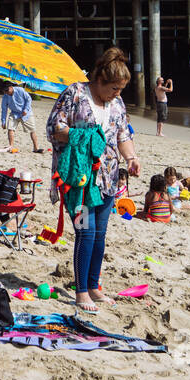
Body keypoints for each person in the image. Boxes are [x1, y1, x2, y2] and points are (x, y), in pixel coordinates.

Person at [47, 47, 141, 314]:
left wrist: (132, 158)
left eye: (120, 89)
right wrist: (82, 135)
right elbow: (54, 127)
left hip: (108, 179)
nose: (117, 94)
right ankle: (80, 292)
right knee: (84, 233)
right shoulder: (75, 93)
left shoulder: (117, 104)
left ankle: (94, 285)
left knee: (100, 234)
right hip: (79, 181)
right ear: (99, 80)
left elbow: (123, 135)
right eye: (114, 88)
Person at [1, 82, 40, 153]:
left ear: (11, 87)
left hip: (26, 113)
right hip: (14, 113)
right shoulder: (5, 96)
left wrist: (26, 110)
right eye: (4, 91)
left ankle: (36, 148)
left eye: (7, 91)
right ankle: (11, 146)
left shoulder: (20, 90)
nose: (6, 93)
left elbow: (29, 99)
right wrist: (3, 121)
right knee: (10, 129)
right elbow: (4, 109)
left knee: (32, 130)